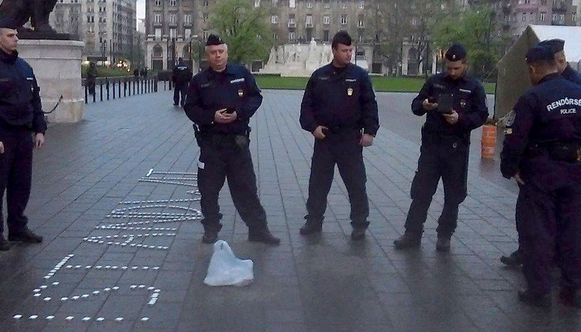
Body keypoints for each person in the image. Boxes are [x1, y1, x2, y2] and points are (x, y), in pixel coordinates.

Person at [500, 45, 581, 308]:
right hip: (571, 172)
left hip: (540, 173)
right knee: (571, 230)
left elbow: (515, 139)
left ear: (534, 68)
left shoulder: (532, 98)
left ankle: (538, 288)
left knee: (537, 230)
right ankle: (573, 287)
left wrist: (509, 168)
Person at [183, 34, 280, 245]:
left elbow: (256, 96)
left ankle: (258, 230)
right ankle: (211, 229)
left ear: (226, 53)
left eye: (221, 52)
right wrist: (211, 117)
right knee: (208, 190)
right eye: (212, 53)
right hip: (211, 143)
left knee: (246, 189)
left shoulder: (241, 73)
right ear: (207, 56)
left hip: (237, 143)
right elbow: (190, 107)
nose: (217, 56)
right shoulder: (199, 81)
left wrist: (239, 113)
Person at [393, 44, 489, 252]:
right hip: (432, 147)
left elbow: (481, 115)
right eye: (449, 68)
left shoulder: (474, 87)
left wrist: (460, 119)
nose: (452, 72)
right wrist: (424, 105)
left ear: (465, 64)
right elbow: (415, 105)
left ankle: (445, 234)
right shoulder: (435, 82)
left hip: (456, 148)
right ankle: (412, 232)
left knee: (453, 195)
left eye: (456, 68)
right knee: (421, 192)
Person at [0, 18, 47, 251]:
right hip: (1, 136)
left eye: (16, 35)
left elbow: (34, 99)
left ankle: (17, 227)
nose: (16, 38)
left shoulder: (24, 67)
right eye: (10, 35)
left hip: (23, 135)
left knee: (21, 185)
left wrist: (39, 128)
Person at [298, 31, 379, 240]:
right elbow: (307, 107)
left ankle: (359, 223)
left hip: (350, 139)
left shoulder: (359, 76)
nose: (349, 54)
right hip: (325, 138)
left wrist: (370, 132)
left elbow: (370, 104)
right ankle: (314, 220)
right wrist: (313, 127)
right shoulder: (320, 76)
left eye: (351, 50)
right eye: (344, 50)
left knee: (356, 183)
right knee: (318, 183)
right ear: (334, 50)